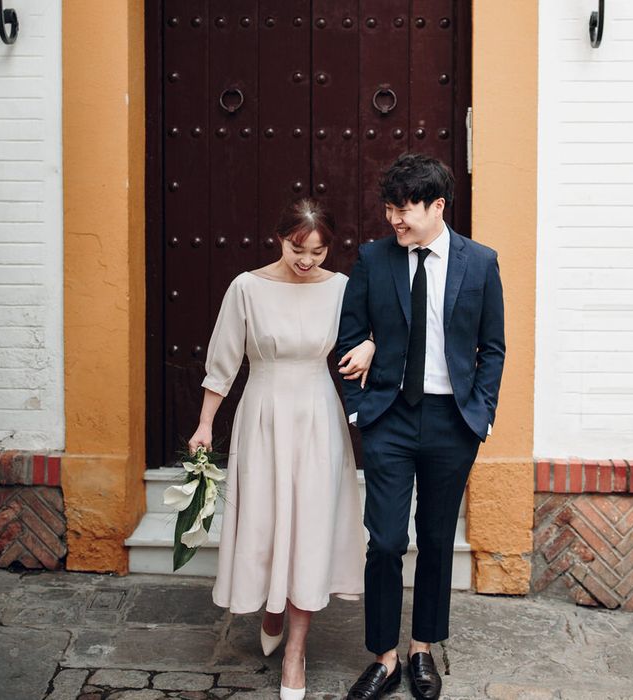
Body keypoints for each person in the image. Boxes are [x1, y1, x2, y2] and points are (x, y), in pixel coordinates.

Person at [188, 199, 374, 700]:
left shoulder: (340, 289)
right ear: (279, 239)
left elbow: (373, 333)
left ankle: (296, 650)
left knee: (310, 524)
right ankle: (272, 604)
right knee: (267, 520)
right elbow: (222, 361)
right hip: (263, 415)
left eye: (317, 251)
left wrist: (372, 344)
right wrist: (205, 424)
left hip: (317, 416)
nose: (307, 260)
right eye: (298, 249)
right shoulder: (247, 287)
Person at [337, 154, 505, 700]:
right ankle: (383, 659)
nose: (394, 220)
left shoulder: (480, 263)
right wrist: (360, 410)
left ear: (437, 206)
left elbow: (493, 348)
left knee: (435, 540)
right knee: (386, 541)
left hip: (451, 422)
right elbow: (347, 339)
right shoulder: (373, 259)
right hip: (389, 418)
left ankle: (422, 649)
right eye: (388, 208)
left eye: (404, 209)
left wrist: (479, 414)